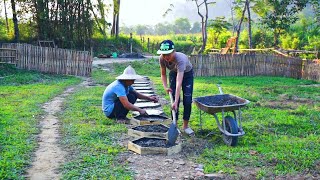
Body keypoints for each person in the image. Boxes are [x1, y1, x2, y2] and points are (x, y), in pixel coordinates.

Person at [157, 40, 195, 135]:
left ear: (174, 51)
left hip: (187, 75)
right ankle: (175, 125)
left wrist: (176, 101)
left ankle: (185, 126)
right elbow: (163, 74)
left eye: (168, 54)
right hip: (173, 74)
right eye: (164, 54)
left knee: (187, 100)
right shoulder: (162, 59)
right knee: (173, 99)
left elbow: (179, 82)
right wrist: (166, 87)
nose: (166, 57)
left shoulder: (180, 59)